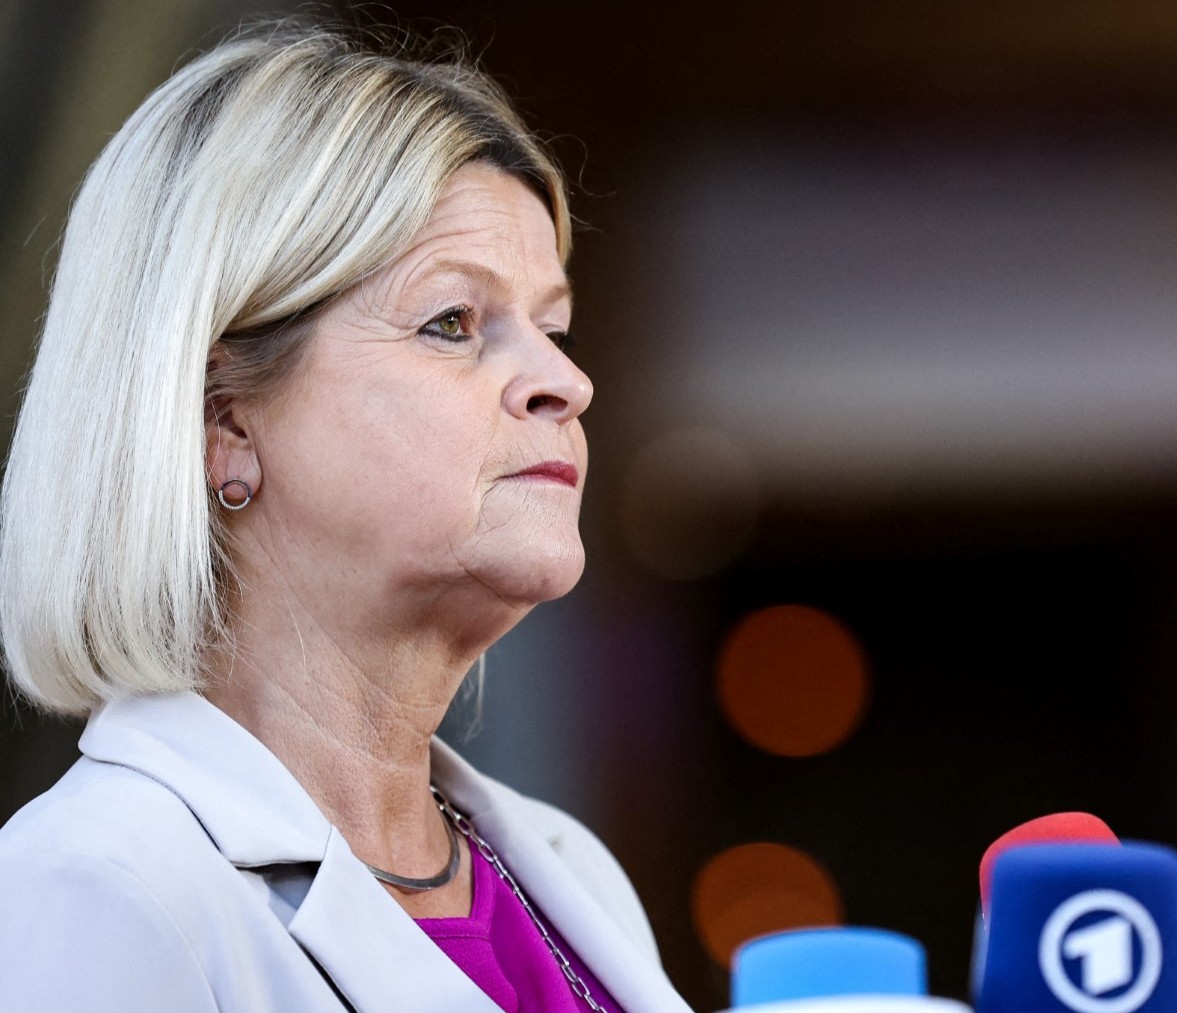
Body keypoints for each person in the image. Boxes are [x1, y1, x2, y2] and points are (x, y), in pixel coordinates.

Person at [0, 22, 695, 1013]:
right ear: (221, 421)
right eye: (453, 322)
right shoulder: (95, 886)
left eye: (553, 328)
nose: (566, 382)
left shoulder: (569, 868)